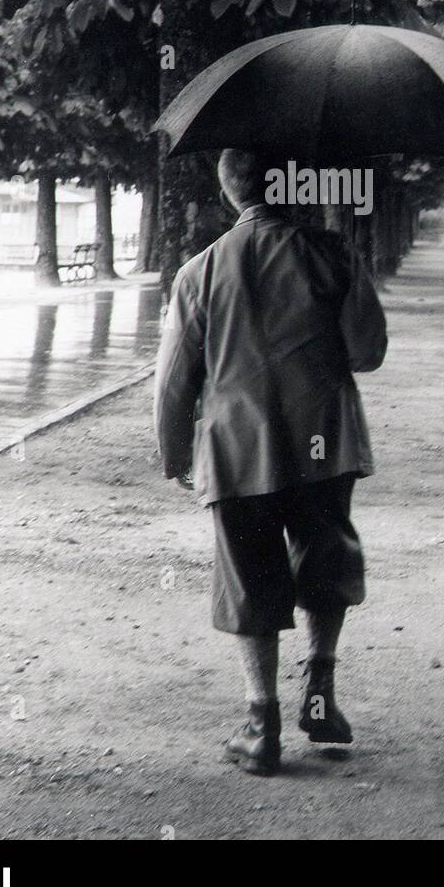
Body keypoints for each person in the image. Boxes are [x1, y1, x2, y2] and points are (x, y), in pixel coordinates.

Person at [153, 148, 387, 775]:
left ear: (230, 192)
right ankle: (320, 697)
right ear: (293, 185)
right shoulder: (332, 254)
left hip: (236, 452)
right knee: (325, 560)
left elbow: (175, 381)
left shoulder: (197, 273)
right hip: (324, 445)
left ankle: (261, 729)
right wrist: (349, 275)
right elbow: (367, 354)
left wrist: (175, 452)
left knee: (250, 576)